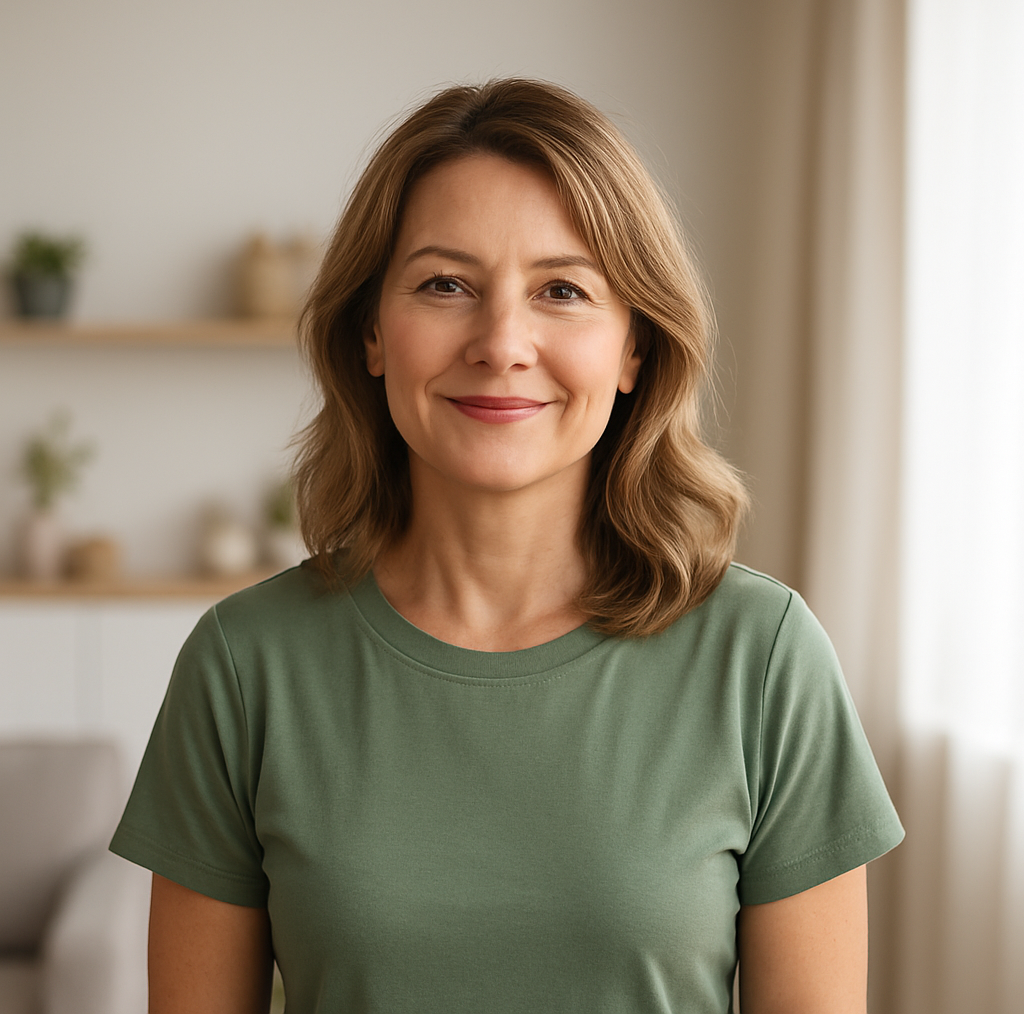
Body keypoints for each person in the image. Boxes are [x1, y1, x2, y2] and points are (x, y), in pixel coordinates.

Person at [110, 78, 903, 1014]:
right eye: (445, 285)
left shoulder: (763, 658)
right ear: (371, 331)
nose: (502, 342)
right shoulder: (245, 665)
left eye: (562, 290)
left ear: (633, 350)